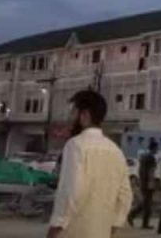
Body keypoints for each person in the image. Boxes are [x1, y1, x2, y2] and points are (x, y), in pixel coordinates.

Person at [48, 90, 132, 238]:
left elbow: (70, 191)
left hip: (72, 231)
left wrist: (55, 227)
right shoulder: (116, 151)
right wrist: (112, 226)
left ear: (84, 115)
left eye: (73, 113)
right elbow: (125, 196)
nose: (69, 118)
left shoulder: (75, 145)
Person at [129, 139, 159, 228]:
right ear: (154, 148)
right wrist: (151, 183)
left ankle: (132, 215)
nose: (157, 150)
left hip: (143, 182)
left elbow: (140, 170)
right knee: (148, 205)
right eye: (157, 148)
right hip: (148, 183)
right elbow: (151, 171)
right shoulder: (151, 158)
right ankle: (143, 223)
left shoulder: (144, 157)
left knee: (145, 203)